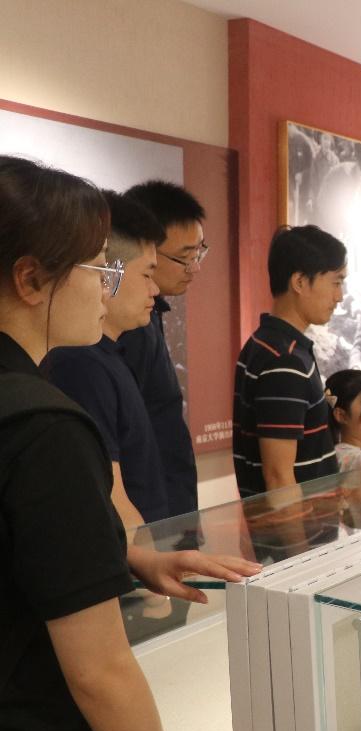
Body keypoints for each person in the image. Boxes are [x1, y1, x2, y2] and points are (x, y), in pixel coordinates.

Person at [0, 156, 257, 731]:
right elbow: (100, 671)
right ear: (31, 279)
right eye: (96, 267)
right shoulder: (43, 425)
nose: (106, 284)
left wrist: (125, 558)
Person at [45, 191, 169, 530]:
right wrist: (151, 556)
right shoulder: (80, 364)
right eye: (146, 275)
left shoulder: (108, 357)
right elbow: (111, 494)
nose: (155, 290)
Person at [232, 225, 344, 498]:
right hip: (300, 524)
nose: (339, 296)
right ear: (300, 282)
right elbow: (279, 477)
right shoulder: (284, 360)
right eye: (336, 282)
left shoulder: (269, 345)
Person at [119, 180, 205, 521]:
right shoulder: (129, 329)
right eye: (184, 257)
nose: (195, 267)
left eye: (199, 253)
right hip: (152, 517)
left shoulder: (149, 316)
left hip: (169, 510)